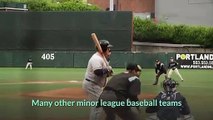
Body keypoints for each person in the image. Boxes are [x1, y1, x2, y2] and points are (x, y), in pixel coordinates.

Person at [82, 39, 113, 120]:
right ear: (103, 49)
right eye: (108, 48)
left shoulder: (103, 58)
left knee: (98, 107)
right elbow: (98, 72)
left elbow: (104, 74)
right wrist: (107, 70)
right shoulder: (96, 58)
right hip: (92, 85)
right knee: (98, 107)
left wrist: (108, 72)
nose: (110, 50)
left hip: (96, 85)